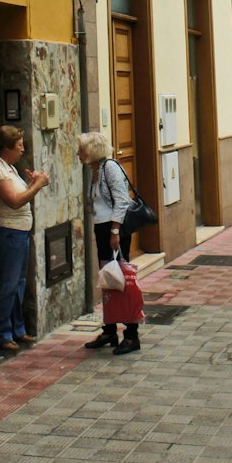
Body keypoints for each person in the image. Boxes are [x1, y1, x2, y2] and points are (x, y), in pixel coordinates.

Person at [0, 125, 49, 353]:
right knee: (6, 284)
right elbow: (15, 201)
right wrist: (37, 186)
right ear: (6, 147)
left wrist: (30, 184)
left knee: (18, 284)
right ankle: (0, 333)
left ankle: (17, 329)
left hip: (18, 232)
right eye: (19, 145)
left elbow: (20, 195)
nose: (23, 149)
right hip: (6, 233)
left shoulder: (9, 167)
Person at [77, 131, 140, 355]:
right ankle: (109, 330)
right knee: (108, 280)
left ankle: (132, 335)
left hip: (115, 230)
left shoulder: (110, 168)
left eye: (81, 149)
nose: (78, 153)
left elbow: (122, 201)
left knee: (122, 280)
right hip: (102, 228)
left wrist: (114, 231)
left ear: (92, 150)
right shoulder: (94, 170)